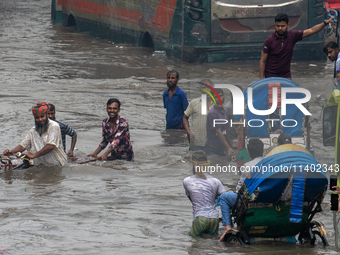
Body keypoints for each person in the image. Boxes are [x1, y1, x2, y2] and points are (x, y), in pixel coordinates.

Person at [259, 13, 334, 79]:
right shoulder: (269, 41)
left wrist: (325, 22)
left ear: (288, 25)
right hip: (271, 76)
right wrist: (261, 80)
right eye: (277, 26)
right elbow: (262, 61)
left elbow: (311, 30)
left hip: (286, 76)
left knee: (289, 95)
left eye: (282, 26)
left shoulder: (292, 36)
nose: (280, 28)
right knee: (273, 95)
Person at [219, 139, 264, 241]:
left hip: (250, 200)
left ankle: (227, 228)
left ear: (248, 152)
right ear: (262, 150)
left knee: (224, 197)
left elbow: (240, 188)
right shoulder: (271, 165)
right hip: (267, 197)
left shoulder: (247, 166)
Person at [3, 102, 67, 166]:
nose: (40, 119)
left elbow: (51, 145)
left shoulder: (54, 126)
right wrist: (11, 152)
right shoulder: (33, 131)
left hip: (56, 165)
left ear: (46, 116)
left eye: (42, 116)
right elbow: (23, 145)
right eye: (37, 118)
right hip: (41, 166)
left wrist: (34, 155)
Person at [183, 150, 225, 237]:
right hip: (214, 219)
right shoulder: (215, 181)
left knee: (195, 246)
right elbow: (224, 198)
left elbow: (193, 200)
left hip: (200, 217)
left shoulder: (187, 181)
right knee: (213, 245)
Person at [182, 79, 213, 151]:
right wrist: (188, 132)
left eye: (208, 87)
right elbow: (184, 118)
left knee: (212, 161)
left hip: (212, 142)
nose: (206, 90)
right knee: (194, 161)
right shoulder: (194, 103)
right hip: (196, 141)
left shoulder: (216, 105)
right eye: (203, 87)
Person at [204, 88, 234, 157]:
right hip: (212, 148)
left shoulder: (225, 111)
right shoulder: (213, 114)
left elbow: (226, 129)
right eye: (216, 97)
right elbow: (219, 132)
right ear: (212, 99)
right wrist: (228, 148)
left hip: (222, 146)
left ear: (224, 96)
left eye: (220, 96)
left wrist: (230, 144)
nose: (219, 99)